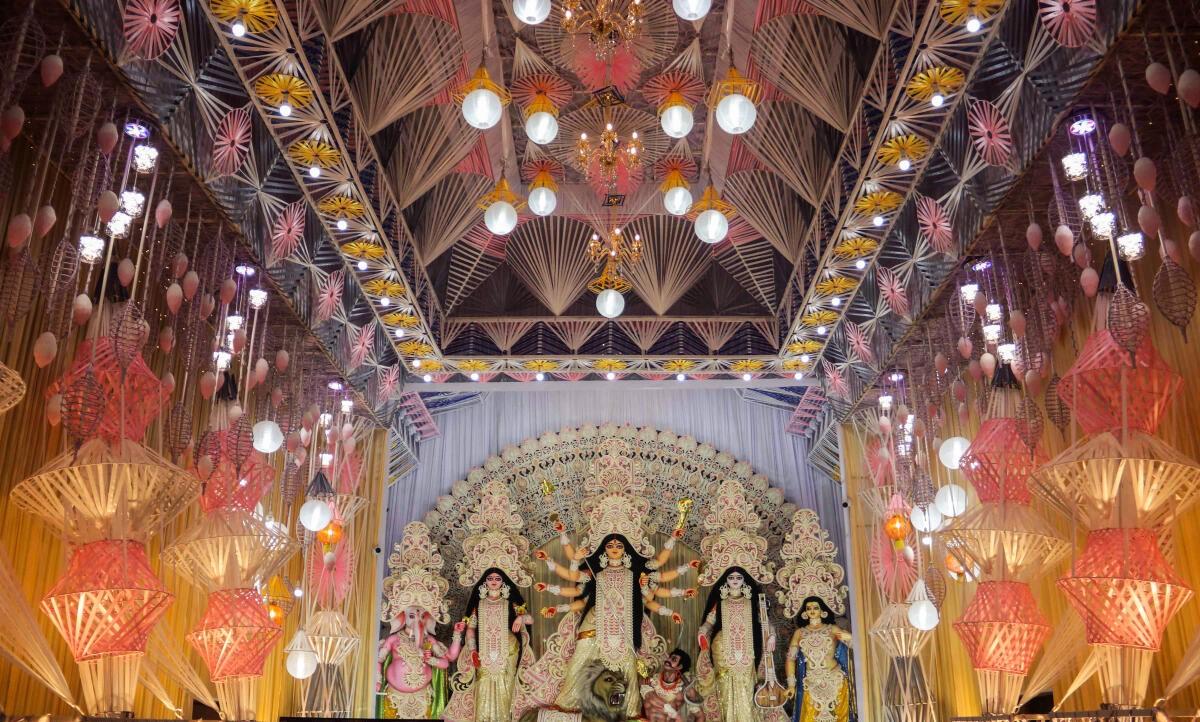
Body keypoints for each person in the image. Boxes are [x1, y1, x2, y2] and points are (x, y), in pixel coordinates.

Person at [535, 529, 697, 718]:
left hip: (625, 626)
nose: (614, 549)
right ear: (603, 550)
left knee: (627, 667)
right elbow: (574, 583)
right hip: (595, 622)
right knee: (580, 661)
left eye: (619, 546)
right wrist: (549, 567)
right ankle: (568, 702)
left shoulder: (636, 574)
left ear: (625, 550)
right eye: (610, 545)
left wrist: (682, 565)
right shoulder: (595, 573)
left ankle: (629, 711)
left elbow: (656, 586)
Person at [444, 568, 534, 722]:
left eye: (497, 578)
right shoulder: (477, 604)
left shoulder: (511, 602)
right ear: (484, 582)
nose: (493, 581)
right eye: (490, 578)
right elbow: (471, 629)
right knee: (483, 687)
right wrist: (473, 651)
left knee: (507, 687)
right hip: (484, 652)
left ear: (503, 582)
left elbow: (530, 620)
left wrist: (521, 618)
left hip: (508, 651)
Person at [696, 568, 778, 722]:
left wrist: (772, 635)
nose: (735, 580)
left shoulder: (752, 602)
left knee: (747, 690)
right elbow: (709, 622)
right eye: (731, 577)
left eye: (739, 577)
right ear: (725, 580)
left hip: (747, 651)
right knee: (725, 690)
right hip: (723, 650)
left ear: (744, 580)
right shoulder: (720, 602)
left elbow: (766, 623)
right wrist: (702, 631)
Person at [377, 607, 463, 718]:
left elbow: (448, 660)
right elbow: (379, 660)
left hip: (422, 696)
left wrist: (457, 634)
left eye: (422, 616)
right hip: (395, 696)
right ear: (403, 617)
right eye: (412, 616)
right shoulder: (393, 639)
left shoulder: (429, 640)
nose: (417, 620)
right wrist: (377, 681)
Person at [785, 596, 852, 722]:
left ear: (823, 611)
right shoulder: (799, 633)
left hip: (834, 680)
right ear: (804, 612)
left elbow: (854, 645)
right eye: (808, 608)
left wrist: (850, 637)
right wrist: (791, 685)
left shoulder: (832, 629)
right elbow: (790, 659)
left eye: (816, 607)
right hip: (811, 682)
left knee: (839, 717)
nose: (812, 610)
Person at [642, 648, 704, 721]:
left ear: (679, 667)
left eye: (673, 660)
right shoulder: (652, 681)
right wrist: (674, 714)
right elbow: (650, 699)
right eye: (669, 657)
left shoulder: (682, 690)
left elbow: (700, 716)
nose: (668, 661)